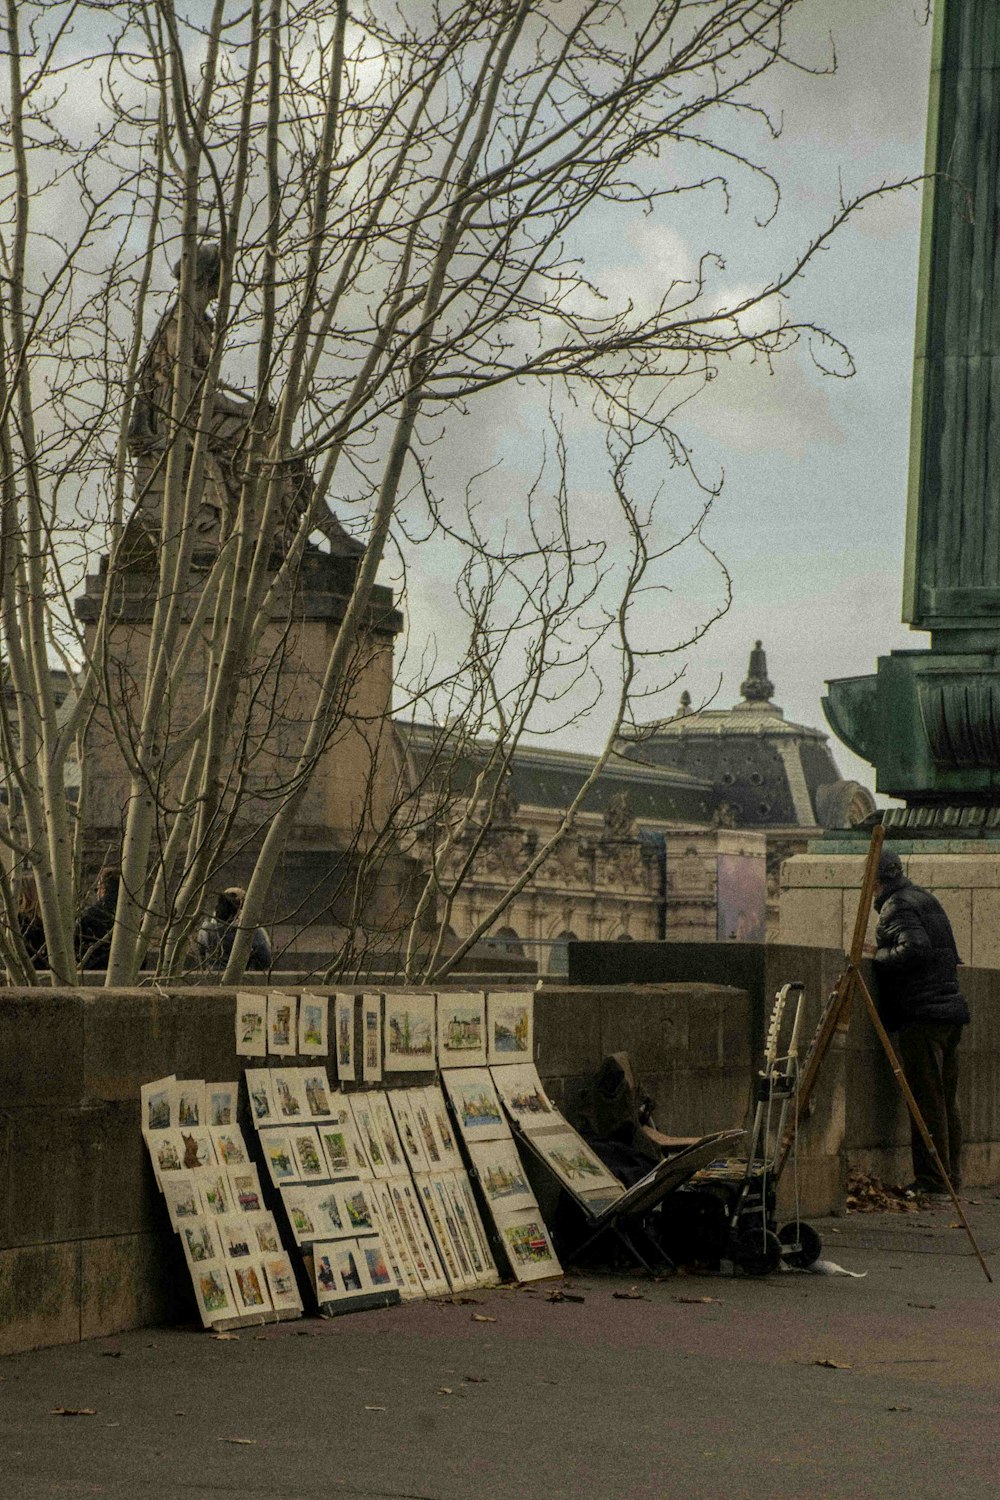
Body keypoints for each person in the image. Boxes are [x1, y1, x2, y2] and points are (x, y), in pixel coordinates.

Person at [872, 848, 970, 1199]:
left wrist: (877, 956)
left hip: (923, 1014)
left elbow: (915, 948)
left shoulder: (895, 906)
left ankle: (932, 1181)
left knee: (927, 1101)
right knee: (946, 1100)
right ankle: (951, 1176)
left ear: (876, 878)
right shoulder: (925, 898)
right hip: (949, 1011)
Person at [197, 887, 271, 972]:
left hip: (210, 977)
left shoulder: (205, 930)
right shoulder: (251, 930)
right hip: (241, 978)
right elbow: (265, 959)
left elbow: (201, 957)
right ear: (241, 909)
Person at [76, 869, 120, 971]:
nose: (97, 893)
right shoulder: (131, 916)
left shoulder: (89, 916)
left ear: (104, 890)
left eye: (97, 889)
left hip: (93, 968)